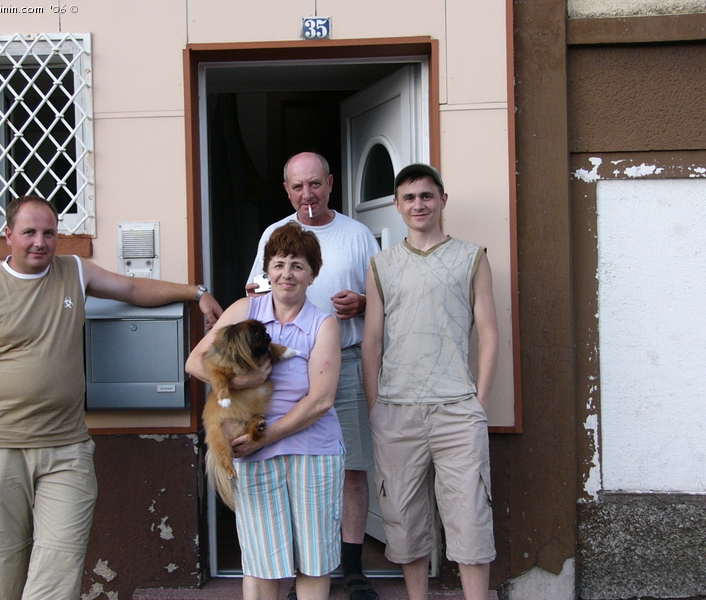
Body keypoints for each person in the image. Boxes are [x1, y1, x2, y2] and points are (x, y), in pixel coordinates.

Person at [0, 195, 223, 600]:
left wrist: (195, 292)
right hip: (0, 451)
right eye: (29, 233)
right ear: (8, 236)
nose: (40, 242)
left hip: (66, 451)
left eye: (49, 233)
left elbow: (131, 287)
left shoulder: (73, 271)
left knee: (59, 570)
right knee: (1, 570)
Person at [245, 152, 380, 600]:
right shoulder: (275, 234)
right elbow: (253, 296)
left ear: (331, 183)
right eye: (298, 186)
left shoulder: (358, 234)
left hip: (343, 362)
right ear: (287, 191)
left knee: (352, 467)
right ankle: (294, 572)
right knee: (286, 469)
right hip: (279, 374)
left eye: (315, 184)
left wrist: (361, 304)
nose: (308, 194)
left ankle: (354, 568)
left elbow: (383, 300)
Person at [361, 164, 499, 600]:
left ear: (442, 199)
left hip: (457, 409)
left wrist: (479, 400)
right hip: (396, 410)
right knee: (403, 520)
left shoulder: (472, 256)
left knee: (471, 518)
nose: (418, 204)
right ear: (397, 206)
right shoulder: (382, 264)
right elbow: (372, 341)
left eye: (426, 195)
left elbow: (490, 333)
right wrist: (375, 405)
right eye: (408, 197)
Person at [188, 222, 344, 600]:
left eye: (297, 265)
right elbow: (195, 362)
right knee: (261, 561)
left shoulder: (323, 325)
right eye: (278, 264)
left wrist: (266, 438)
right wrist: (242, 382)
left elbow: (321, 400)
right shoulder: (245, 311)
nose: (286, 274)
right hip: (250, 447)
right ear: (267, 269)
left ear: (312, 274)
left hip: (312, 451)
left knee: (313, 559)